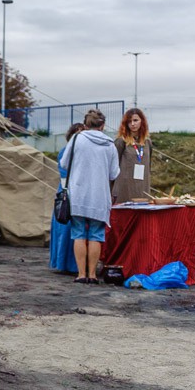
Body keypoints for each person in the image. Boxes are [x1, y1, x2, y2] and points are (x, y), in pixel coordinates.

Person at [61, 109, 120, 284]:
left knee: (78, 233)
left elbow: (64, 163)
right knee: (96, 234)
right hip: (100, 195)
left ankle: (81, 274)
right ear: (102, 125)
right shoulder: (110, 145)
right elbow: (113, 174)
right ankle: (93, 274)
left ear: (86, 125)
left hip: (78, 193)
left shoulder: (77, 139)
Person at [49, 123, 85, 273]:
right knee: (66, 228)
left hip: (73, 190)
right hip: (68, 192)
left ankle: (73, 263)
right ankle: (66, 263)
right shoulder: (65, 151)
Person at [113, 108, 153, 203]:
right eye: (129, 121)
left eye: (135, 120)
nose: (133, 124)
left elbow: (149, 166)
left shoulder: (147, 142)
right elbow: (113, 167)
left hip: (143, 187)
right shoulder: (121, 142)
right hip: (125, 189)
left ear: (142, 121)